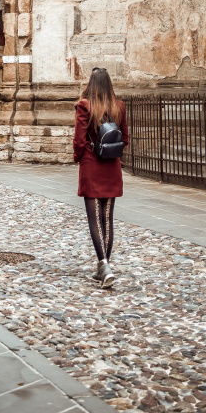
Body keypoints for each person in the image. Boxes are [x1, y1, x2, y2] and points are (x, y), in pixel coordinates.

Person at [73, 66, 129, 288]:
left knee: (94, 218)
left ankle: (104, 265)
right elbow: (125, 138)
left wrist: (80, 157)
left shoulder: (85, 106)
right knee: (107, 218)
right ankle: (104, 267)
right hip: (111, 166)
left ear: (91, 84)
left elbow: (79, 140)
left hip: (92, 163)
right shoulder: (119, 106)